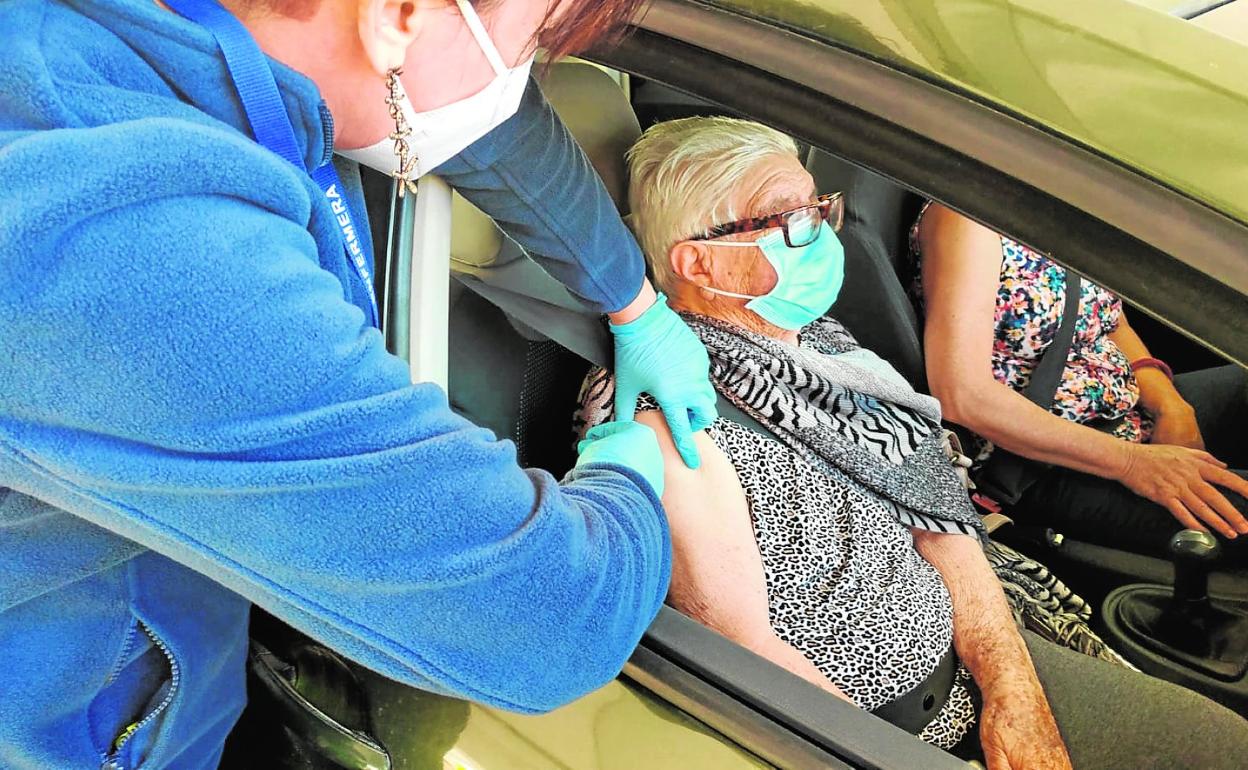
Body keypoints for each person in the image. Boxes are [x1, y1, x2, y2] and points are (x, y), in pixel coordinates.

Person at [0, 0, 718, 767]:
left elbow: (484, 123)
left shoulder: (209, 51)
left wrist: (635, 305)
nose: (516, 83)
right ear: (400, 13)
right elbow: (550, 622)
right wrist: (628, 463)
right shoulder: (136, 240)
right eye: (535, 43)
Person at [577, 115, 1248, 769]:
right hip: (889, 734)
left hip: (975, 650)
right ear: (700, 261)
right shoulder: (670, 420)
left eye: (821, 208)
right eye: (795, 220)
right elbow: (752, 664)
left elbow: (938, 514)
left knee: (1217, 743)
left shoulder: (819, 342)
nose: (825, 235)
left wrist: (1011, 685)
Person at [912, 202, 1248, 561]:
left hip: (1126, 413)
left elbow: (1110, 323)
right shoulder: (968, 220)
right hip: (1044, 463)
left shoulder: (1060, 204)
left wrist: (1172, 406)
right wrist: (1133, 463)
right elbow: (963, 395)